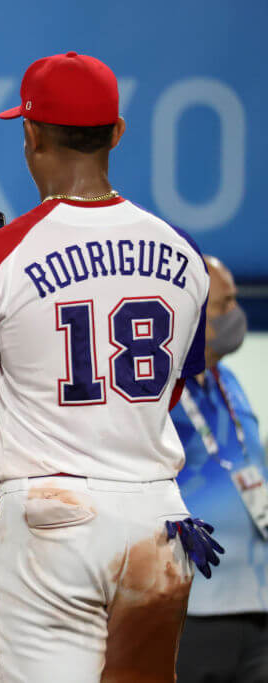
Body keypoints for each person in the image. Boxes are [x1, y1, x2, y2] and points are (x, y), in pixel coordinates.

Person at [0, 52, 221, 682]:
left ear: (30, 133)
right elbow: (166, 392)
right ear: (116, 133)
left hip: (52, 521)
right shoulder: (184, 251)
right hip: (155, 516)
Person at [172, 255, 268, 683]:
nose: (237, 316)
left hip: (259, 605)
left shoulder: (229, 381)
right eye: (225, 305)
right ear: (193, 311)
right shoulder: (161, 391)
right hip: (195, 610)